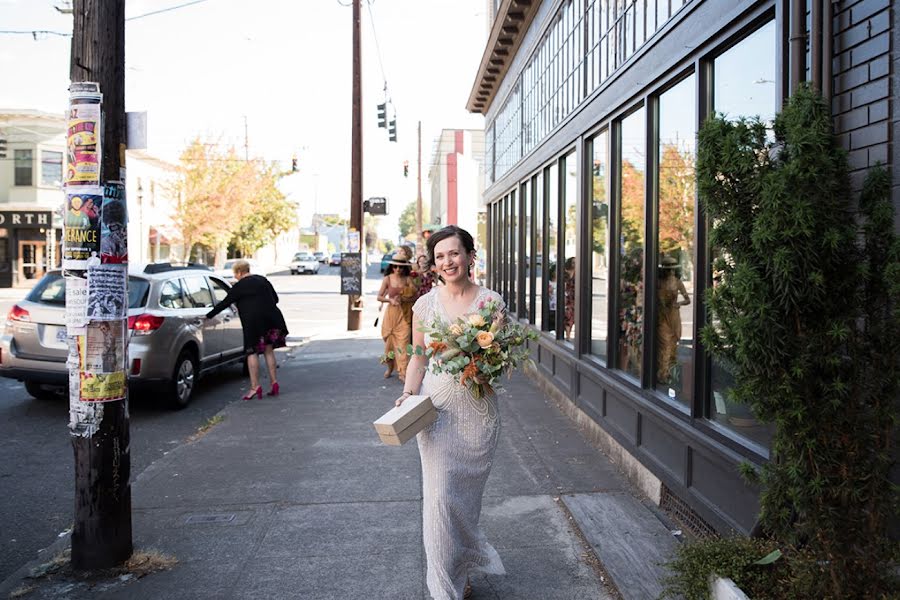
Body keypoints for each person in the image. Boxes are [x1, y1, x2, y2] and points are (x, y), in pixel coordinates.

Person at [398, 225, 506, 600]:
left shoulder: (491, 303)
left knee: (462, 503)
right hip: (436, 409)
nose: (448, 261)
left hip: (478, 411)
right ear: (434, 263)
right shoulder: (424, 304)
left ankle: (458, 570)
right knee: (440, 498)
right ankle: (444, 591)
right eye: (440, 256)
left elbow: (498, 364)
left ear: (469, 256)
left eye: (454, 253)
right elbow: (418, 356)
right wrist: (408, 392)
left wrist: (483, 362)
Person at [206, 259, 288, 400]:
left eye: (235, 274)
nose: (235, 276)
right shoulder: (263, 280)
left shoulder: (239, 286)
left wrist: (208, 316)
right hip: (272, 319)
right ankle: (274, 383)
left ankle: (255, 387)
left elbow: (225, 303)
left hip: (253, 323)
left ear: (239, 272)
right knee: (268, 350)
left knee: (252, 352)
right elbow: (275, 299)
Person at [377, 252, 417, 381]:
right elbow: (379, 297)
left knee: (403, 345)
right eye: (395, 267)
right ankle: (389, 367)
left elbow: (415, 294)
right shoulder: (387, 279)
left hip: (404, 315)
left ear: (404, 268)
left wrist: (407, 295)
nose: (398, 269)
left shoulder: (408, 279)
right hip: (391, 315)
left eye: (400, 267)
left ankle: (403, 372)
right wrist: (390, 300)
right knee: (389, 345)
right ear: (392, 267)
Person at [656, 255, 690, 384]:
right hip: (662, 316)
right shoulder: (658, 282)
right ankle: (662, 373)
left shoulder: (678, 282)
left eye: (672, 269)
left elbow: (688, 300)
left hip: (674, 317)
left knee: (673, 345)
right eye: (668, 269)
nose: (670, 272)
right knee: (665, 344)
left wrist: (679, 303)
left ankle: (669, 372)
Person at [563, 256, 576, 339]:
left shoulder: (578, 273)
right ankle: (568, 334)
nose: (574, 264)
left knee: (573, 316)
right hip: (567, 297)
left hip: (575, 297)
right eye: (573, 262)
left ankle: (569, 333)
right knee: (568, 315)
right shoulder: (566, 273)